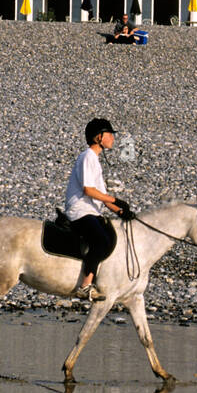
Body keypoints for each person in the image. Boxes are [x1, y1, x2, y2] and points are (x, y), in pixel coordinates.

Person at [64, 118, 122, 299]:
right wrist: (115, 199)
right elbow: (88, 190)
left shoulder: (94, 160)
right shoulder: (87, 156)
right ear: (98, 137)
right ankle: (85, 286)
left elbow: (102, 197)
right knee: (102, 241)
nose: (113, 138)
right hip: (80, 211)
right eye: (109, 134)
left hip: (91, 211)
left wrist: (121, 211)